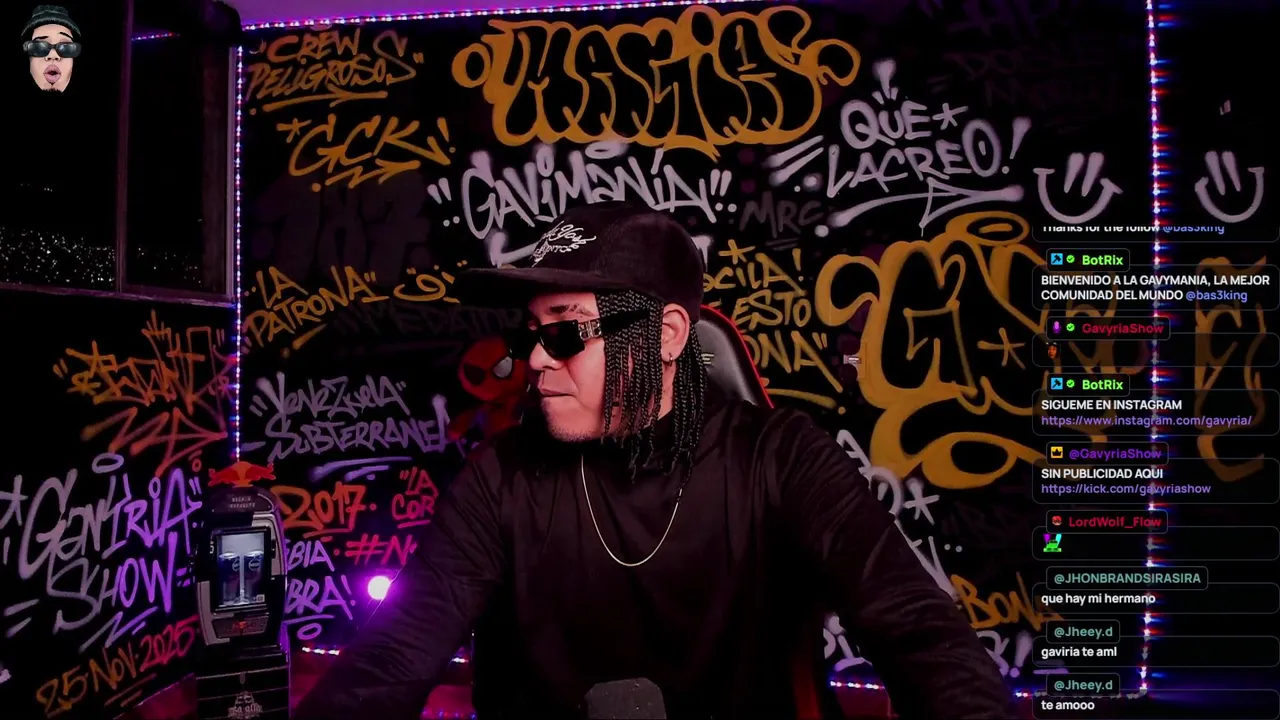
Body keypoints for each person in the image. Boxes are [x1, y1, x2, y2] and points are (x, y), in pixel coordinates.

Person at [293, 202, 1012, 719]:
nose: (536, 359)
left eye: (566, 332)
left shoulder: (781, 458)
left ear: (667, 335)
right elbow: (394, 655)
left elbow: (916, 628)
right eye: (533, 333)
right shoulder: (501, 477)